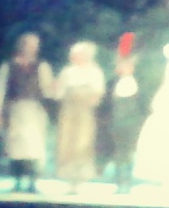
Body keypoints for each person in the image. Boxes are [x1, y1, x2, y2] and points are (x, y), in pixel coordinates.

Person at [0, 31, 53, 193]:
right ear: (21, 45)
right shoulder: (8, 66)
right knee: (16, 148)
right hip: (15, 110)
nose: (32, 48)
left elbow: (48, 90)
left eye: (35, 45)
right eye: (28, 45)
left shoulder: (42, 66)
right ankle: (17, 181)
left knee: (34, 148)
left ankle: (32, 182)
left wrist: (54, 89)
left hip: (34, 110)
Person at [54, 40, 106, 190]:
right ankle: (69, 179)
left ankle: (80, 179)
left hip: (84, 114)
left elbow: (98, 94)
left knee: (82, 145)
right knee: (67, 145)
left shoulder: (95, 71)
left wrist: (86, 98)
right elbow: (59, 94)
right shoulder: (67, 72)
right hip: (68, 114)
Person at [106, 36, 146, 192]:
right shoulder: (114, 83)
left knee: (128, 152)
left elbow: (140, 105)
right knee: (118, 152)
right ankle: (119, 181)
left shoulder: (136, 83)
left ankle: (127, 181)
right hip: (117, 122)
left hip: (130, 123)